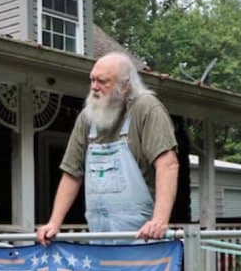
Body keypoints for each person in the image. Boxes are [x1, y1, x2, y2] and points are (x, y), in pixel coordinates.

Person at [36, 52, 179, 244]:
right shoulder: (88, 117)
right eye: (92, 80)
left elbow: (168, 165)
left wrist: (159, 221)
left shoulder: (146, 108)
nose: (94, 87)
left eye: (103, 81)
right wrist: (54, 223)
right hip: (102, 241)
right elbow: (71, 173)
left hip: (144, 241)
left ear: (125, 85)